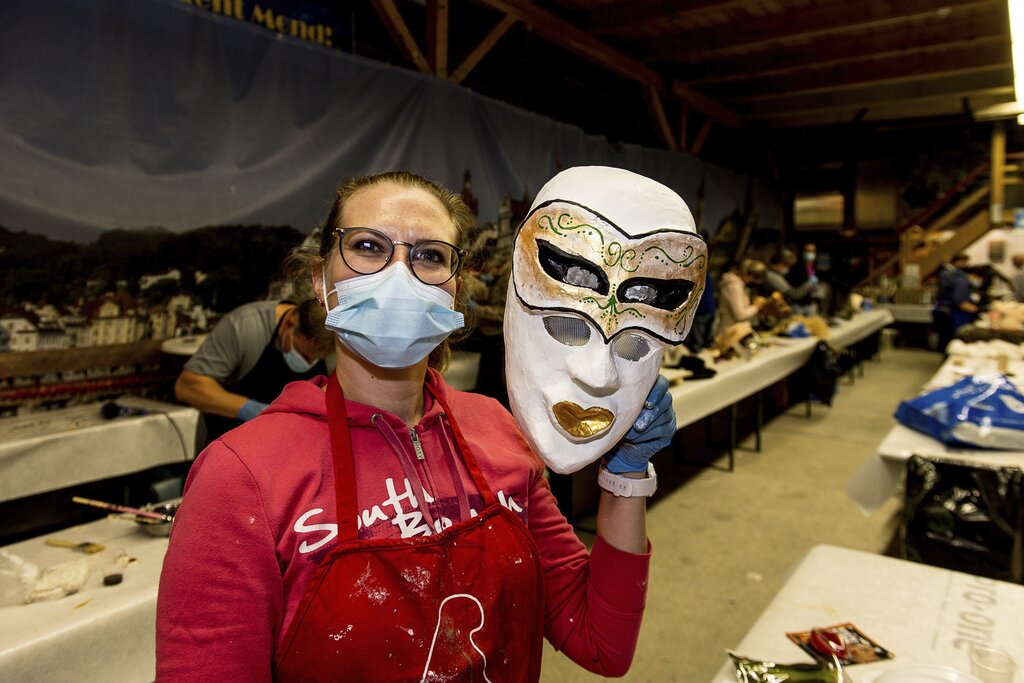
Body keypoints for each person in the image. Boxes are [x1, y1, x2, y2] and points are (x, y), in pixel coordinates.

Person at [156, 171, 672, 681]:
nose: (399, 273)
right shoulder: (241, 477)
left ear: (455, 290)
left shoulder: (497, 430)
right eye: (367, 246)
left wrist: (626, 475)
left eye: (429, 255)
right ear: (320, 280)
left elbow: (601, 642)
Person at [174, 297, 331, 444]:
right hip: (230, 439)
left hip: (287, 443)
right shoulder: (244, 326)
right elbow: (187, 386)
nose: (308, 364)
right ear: (290, 323)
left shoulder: (331, 341)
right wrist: (250, 409)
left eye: (315, 360)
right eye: (303, 355)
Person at [932, 253, 977, 353]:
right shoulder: (950, 274)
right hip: (948, 308)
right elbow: (956, 296)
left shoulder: (954, 274)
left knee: (946, 337)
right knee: (948, 337)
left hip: (947, 307)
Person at [717, 258, 768, 331]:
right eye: (754, 281)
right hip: (730, 332)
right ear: (751, 276)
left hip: (735, 330)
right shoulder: (734, 286)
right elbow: (740, 315)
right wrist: (756, 306)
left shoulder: (738, 285)